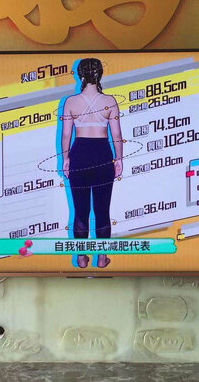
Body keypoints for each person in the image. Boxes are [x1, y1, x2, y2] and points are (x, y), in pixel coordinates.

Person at [61, 58, 123, 268]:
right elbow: (116, 135)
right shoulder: (110, 101)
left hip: (79, 155)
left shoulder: (70, 102)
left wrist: (66, 159)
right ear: (100, 75)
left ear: (80, 76)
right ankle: (102, 258)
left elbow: (66, 135)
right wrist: (119, 159)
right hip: (102, 155)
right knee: (102, 210)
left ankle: (81, 257)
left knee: (80, 211)